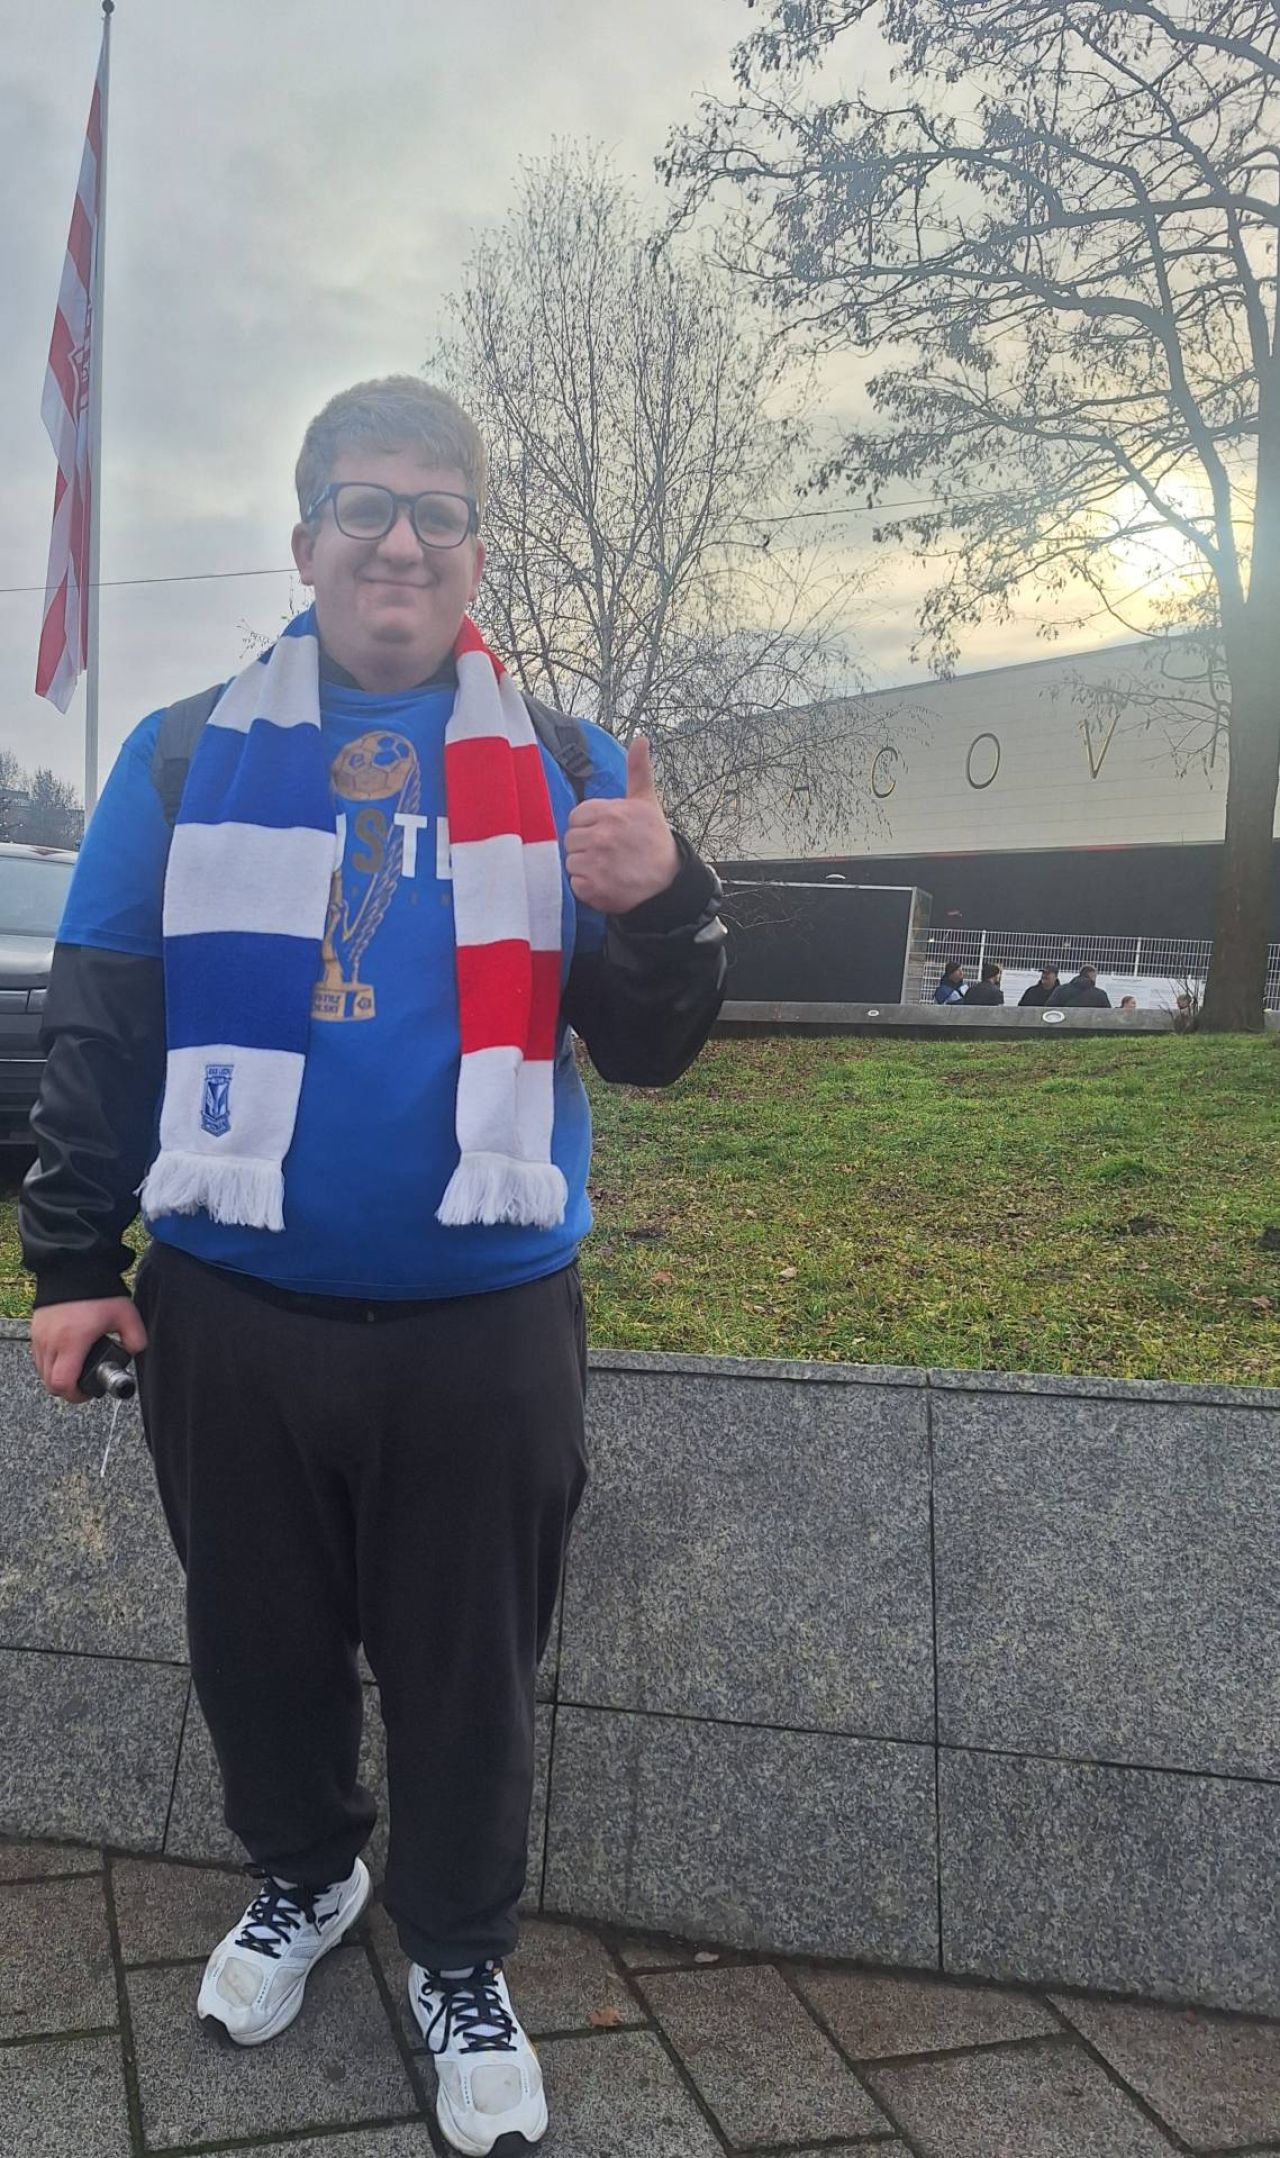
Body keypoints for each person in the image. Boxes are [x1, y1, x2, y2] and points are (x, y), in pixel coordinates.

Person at [20, 376, 727, 2155]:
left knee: (467, 1663)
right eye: (363, 505)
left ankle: (461, 1950)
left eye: (435, 510)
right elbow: (101, 1024)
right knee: (254, 1643)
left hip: (482, 1323)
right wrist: (70, 1256)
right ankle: (306, 1873)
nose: (398, 540)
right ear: (306, 537)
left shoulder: (568, 766)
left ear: (476, 551)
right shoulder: (178, 755)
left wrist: (666, 904)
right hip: (231, 1311)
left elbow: (652, 1049)